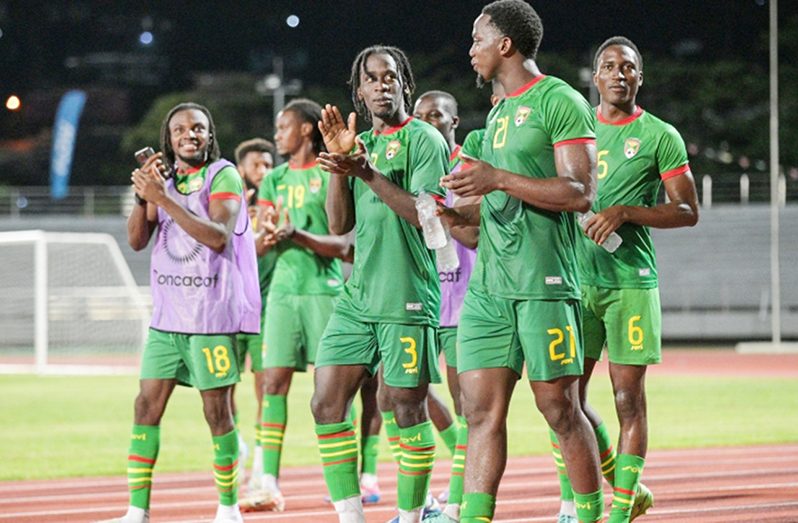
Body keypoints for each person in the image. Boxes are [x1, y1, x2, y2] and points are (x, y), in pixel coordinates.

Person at [438, 1, 604, 522]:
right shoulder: (498, 112)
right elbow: (487, 206)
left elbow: (579, 192)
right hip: (489, 288)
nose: (471, 50)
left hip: (545, 283)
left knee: (559, 408)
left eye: (477, 39)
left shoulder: (561, 100)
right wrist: (453, 208)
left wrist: (496, 179)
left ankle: (592, 512)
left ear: (504, 44)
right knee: (480, 413)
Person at [548, 36, 699, 523]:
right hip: (572, 282)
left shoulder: (660, 135)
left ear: (639, 77)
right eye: (608, 66)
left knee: (626, 398)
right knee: (565, 400)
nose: (618, 73)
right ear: (594, 77)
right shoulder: (573, 127)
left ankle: (618, 513)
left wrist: (625, 211)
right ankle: (595, 496)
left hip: (631, 283)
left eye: (628, 67)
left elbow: (687, 210)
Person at [311, 44, 450, 523]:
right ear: (359, 91)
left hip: (407, 295)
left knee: (406, 408)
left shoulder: (426, 140)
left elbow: (427, 219)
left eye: (390, 76)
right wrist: (338, 163)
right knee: (326, 402)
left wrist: (366, 172)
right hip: (358, 296)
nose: (381, 84)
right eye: (371, 78)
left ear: (405, 83)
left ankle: (413, 516)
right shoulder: (357, 145)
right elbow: (337, 223)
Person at [103, 102, 259, 523]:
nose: (189, 135)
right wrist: (143, 197)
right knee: (145, 407)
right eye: (180, 130)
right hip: (167, 321)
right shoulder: (164, 181)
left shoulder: (222, 174)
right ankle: (137, 511)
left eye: (198, 128)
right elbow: (137, 240)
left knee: (217, 412)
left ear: (209, 136)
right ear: (167, 139)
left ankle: (228, 508)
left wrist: (164, 199)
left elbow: (218, 236)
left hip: (210, 318)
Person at [241, 98, 352, 512]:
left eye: (283, 127)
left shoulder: (331, 175)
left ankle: (347, 483)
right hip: (283, 296)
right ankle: (266, 480)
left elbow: (344, 246)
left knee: (335, 393)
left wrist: (297, 234)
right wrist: (265, 238)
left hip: (325, 293)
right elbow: (265, 237)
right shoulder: (272, 183)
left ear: (306, 129)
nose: (277, 135)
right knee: (272, 385)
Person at [231, 137, 277, 489]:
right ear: (241, 169)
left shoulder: (277, 205)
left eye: (268, 164)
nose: (263, 170)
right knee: (223, 390)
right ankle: (236, 448)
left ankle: (262, 465)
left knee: (267, 389)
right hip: (230, 312)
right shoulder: (228, 206)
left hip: (265, 313)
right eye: (256, 165)